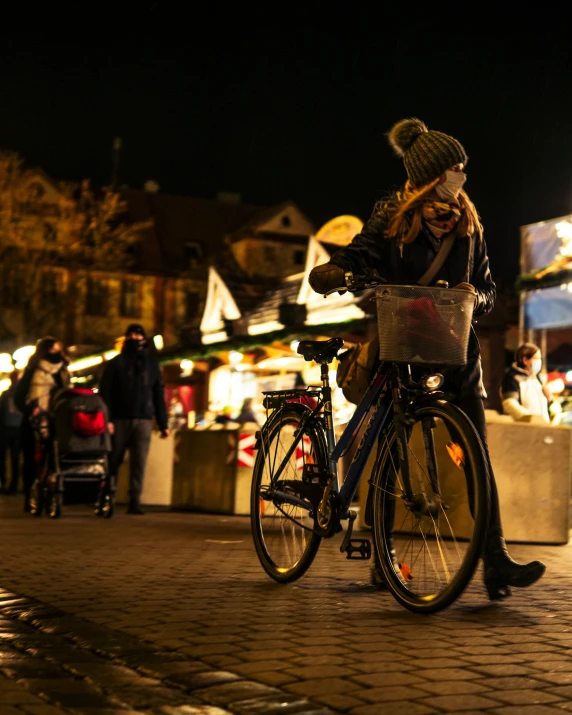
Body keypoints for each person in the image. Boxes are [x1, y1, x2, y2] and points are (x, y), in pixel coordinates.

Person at [309, 117, 545, 601]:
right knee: (394, 447)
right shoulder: (393, 215)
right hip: (405, 341)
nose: (460, 175)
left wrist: (471, 297)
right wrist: (336, 269)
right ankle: (383, 555)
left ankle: (495, 558)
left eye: (462, 167)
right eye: (451, 168)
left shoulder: (470, 223)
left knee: (476, 453)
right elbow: (361, 253)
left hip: (457, 347)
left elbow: (487, 287)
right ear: (427, 175)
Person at [99, 324, 169, 515]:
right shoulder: (115, 363)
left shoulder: (152, 365)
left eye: (138, 335)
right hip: (119, 418)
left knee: (139, 462)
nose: (135, 338)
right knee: (113, 460)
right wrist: (108, 419)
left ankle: (134, 500)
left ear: (144, 339)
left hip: (143, 418)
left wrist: (163, 423)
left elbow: (158, 393)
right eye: (131, 335)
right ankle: (108, 497)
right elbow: (106, 393)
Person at [15, 337, 70, 510]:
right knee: (41, 459)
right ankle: (39, 497)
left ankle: (39, 497)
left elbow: (20, 395)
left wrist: (30, 408)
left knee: (39, 460)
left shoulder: (36, 369)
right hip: (45, 420)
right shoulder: (60, 371)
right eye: (53, 350)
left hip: (45, 420)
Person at [501, 343, 551, 423]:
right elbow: (509, 404)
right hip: (526, 429)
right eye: (537, 358)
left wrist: (549, 399)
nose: (539, 362)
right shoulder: (512, 377)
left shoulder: (537, 378)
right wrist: (531, 419)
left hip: (543, 427)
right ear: (525, 360)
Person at [0, 371, 23, 494]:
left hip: (8, 429)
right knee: (14, 459)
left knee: (8, 459)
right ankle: (11, 484)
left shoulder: (6, 395)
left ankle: (7, 484)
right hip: (14, 429)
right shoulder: (19, 394)